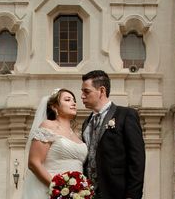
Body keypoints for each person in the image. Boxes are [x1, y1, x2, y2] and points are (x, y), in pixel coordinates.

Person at [81, 70, 145, 199]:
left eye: (86, 91)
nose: (82, 96)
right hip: (89, 193)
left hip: (117, 192)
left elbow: (137, 158)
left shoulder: (126, 115)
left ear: (102, 91)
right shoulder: (86, 123)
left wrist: (133, 195)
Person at [21, 88, 88, 199]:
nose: (73, 103)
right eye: (67, 100)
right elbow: (34, 162)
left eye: (74, 100)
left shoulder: (77, 134)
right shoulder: (48, 126)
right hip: (52, 191)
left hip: (77, 193)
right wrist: (59, 189)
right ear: (54, 107)